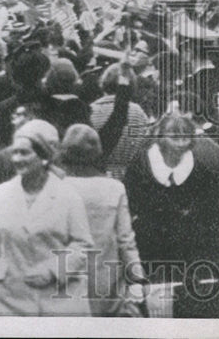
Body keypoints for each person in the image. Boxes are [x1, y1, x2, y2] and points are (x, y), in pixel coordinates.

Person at [123, 112, 219, 318]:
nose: (180, 142)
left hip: (194, 262)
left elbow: (216, 221)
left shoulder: (204, 172)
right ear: (160, 138)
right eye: (174, 136)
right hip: (153, 259)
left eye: (185, 136)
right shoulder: (139, 168)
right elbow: (130, 214)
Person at [0, 120, 94, 316]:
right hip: (12, 301)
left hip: (59, 304)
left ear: (44, 158)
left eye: (25, 153)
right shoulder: (1, 194)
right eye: (15, 152)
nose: (17, 159)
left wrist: (53, 271)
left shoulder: (68, 195)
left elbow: (84, 246)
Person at [58, 124, 147, 317]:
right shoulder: (114, 188)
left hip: (66, 281)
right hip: (106, 285)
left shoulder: (56, 188)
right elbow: (126, 242)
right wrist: (137, 281)